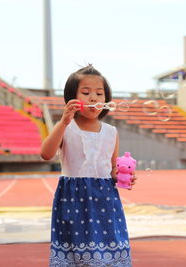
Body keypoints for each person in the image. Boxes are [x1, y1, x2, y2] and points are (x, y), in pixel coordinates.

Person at [40, 65, 136, 267]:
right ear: (71, 98)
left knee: (108, 247)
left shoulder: (111, 132)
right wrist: (63, 122)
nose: (93, 98)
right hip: (73, 198)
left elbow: (112, 169)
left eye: (99, 94)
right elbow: (46, 153)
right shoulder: (66, 128)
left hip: (105, 199)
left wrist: (122, 175)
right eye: (85, 92)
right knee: (76, 250)